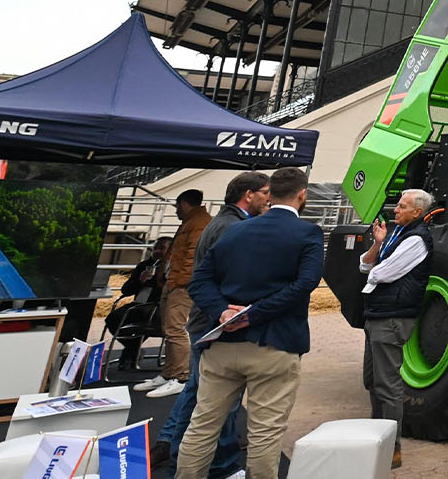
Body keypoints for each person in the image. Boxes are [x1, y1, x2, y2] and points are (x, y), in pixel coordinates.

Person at [178, 167, 324, 479]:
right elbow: (304, 285)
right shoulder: (307, 234)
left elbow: (199, 280)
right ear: (302, 195)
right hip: (274, 345)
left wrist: (223, 312)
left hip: (222, 344)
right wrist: (252, 314)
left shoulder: (236, 230)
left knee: (202, 426)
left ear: (269, 195)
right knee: (265, 434)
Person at [152, 171, 271, 473]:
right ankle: (219, 464)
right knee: (216, 400)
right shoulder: (232, 228)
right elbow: (219, 278)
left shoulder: (221, 223)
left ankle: (174, 445)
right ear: (249, 195)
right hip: (217, 324)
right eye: (265, 192)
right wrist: (224, 312)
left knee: (199, 391)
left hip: (209, 320)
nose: (269, 198)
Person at [359, 189, 435, 469]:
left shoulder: (416, 238)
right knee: (371, 380)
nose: (395, 210)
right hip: (377, 315)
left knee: (388, 384)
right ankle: (375, 436)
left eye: (402, 207)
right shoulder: (395, 235)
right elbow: (364, 265)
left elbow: (381, 273)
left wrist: (376, 267)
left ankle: (392, 448)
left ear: (417, 212)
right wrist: (378, 245)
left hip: (392, 319)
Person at [137, 189, 209, 395]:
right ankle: (169, 372)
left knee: (176, 329)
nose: (176, 210)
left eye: (177, 206)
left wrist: (180, 282)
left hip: (181, 286)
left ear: (184, 203)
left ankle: (182, 375)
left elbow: (192, 259)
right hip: (173, 283)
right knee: (170, 329)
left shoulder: (199, 223)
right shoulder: (191, 222)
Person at [103, 236, 169, 339]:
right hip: (138, 305)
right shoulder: (144, 265)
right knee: (112, 319)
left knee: (144, 321)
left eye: (161, 248)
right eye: (154, 248)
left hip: (159, 308)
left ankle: (132, 352)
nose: (157, 251)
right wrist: (140, 280)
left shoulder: (173, 269)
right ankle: (133, 349)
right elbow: (126, 290)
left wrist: (159, 279)